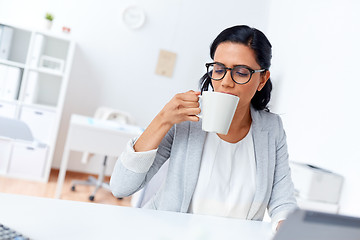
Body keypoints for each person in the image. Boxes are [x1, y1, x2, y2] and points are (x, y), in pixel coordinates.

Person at [110, 25, 297, 230]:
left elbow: (282, 200)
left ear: (262, 79)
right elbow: (121, 187)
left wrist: (284, 223)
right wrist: (163, 119)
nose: (226, 82)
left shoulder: (272, 129)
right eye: (219, 69)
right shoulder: (187, 119)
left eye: (241, 72)